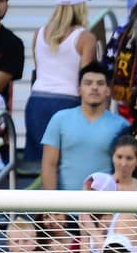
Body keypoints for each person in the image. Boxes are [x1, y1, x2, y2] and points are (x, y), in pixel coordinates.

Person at [25, 0, 96, 167]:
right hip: (68, 102)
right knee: (67, 164)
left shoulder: (38, 33)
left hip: (37, 101)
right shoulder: (85, 38)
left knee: (41, 164)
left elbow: (39, 68)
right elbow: (87, 79)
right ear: (81, 6)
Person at [42, 63, 130, 191]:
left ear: (107, 91)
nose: (94, 87)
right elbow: (49, 165)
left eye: (100, 84)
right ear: (79, 90)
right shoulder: (60, 119)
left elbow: (126, 169)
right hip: (65, 206)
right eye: (88, 83)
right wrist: (51, 208)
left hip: (105, 206)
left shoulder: (121, 125)